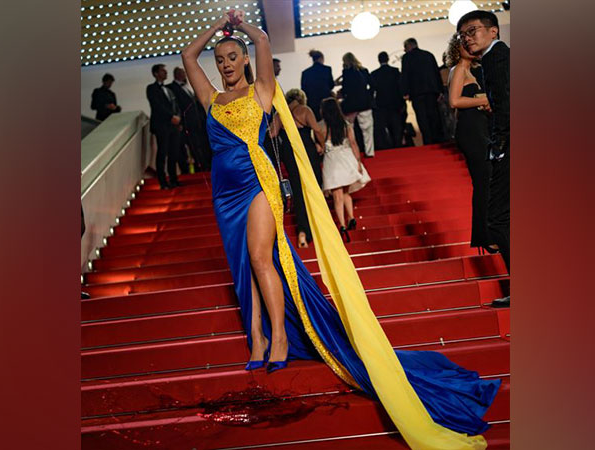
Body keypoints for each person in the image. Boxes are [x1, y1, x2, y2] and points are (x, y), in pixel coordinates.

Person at [181, 9, 500, 449]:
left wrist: (245, 28)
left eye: (233, 56)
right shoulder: (210, 99)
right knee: (241, 264)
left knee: (260, 257)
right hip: (223, 190)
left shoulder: (261, 90)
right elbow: (187, 54)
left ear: (245, 59)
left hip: (257, 182)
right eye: (221, 59)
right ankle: (255, 340)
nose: (225, 64)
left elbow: (263, 45)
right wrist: (217, 29)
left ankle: (277, 341)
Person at [458, 11, 510, 308]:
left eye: (473, 30)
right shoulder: (491, 59)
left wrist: (500, 142)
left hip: (507, 143)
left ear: (493, 32)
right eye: (463, 34)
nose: (467, 37)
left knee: (499, 218)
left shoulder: (497, 57)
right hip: (500, 139)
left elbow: (507, 102)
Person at [446, 34, 498, 255]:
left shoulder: (470, 70)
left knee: (487, 181)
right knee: (484, 181)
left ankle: (488, 235)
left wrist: (484, 104)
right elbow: (454, 101)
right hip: (470, 131)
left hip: (479, 128)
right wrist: (484, 100)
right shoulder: (458, 69)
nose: (469, 46)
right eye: (464, 44)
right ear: (457, 48)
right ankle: (486, 236)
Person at [270, 89, 325, 248]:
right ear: (301, 98)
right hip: (306, 150)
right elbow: (317, 130)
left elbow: (272, 134)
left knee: (298, 190)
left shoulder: (281, 113)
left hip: (289, 153)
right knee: (314, 187)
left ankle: (302, 232)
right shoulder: (305, 110)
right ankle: (318, 227)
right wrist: (322, 145)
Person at [319, 97, 370, 242]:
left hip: (332, 162)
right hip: (346, 160)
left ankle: (341, 225)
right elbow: (353, 143)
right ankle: (352, 218)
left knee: (337, 196)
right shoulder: (346, 125)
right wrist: (358, 162)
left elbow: (321, 147)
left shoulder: (321, 127)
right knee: (346, 192)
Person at [401, 38, 444, 145]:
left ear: (409, 46)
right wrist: (440, 91)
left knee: (422, 118)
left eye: (405, 47)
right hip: (431, 91)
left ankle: (428, 140)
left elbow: (405, 75)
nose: (404, 50)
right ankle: (437, 139)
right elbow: (436, 73)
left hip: (416, 93)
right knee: (433, 116)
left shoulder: (407, 58)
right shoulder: (428, 55)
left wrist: (405, 92)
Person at [168, 66, 212, 172]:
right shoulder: (171, 88)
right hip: (185, 124)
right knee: (191, 148)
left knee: (200, 145)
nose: (185, 75)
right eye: (183, 73)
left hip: (197, 122)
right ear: (177, 74)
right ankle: (198, 168)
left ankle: (204, 165)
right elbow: (176, 106)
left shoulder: (187, 87)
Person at [146, 64, 182, 189]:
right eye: (162, 71)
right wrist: (171, 116)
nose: (165, 72)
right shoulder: (151, 88)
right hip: (162, 126)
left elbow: (176, 106)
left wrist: (178, 118)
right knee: (162, 153)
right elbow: (157, 106)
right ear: (155, 73)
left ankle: (174, 179)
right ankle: (163, 182)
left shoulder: (169, 90)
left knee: (174, 153)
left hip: (173, 126)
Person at [337, 52, 375, 157]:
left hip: (351, 105)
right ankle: (369, 152)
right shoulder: (364, 70)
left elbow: (346, 89)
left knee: (350, 130)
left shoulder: (346, 72)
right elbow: (372, 85)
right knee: (367, 130)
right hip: (364, 104)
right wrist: (368, 96)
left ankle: (352, 152)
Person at [371, 51, 405, 149]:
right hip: (395, 103)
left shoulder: (374, 74)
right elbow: (400, 87)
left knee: (384, 128)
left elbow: (373, 90)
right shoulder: (395, 71)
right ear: (388, 59)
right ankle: (397, 146)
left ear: (378, 60)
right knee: (396, 127)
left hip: (381, 104)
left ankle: (388, 147)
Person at [301, 50, 335, 121]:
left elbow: (303, 89)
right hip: (326, 101)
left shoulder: (305, 73)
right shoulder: (327, 69)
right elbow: (331, 85)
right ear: (321, 58)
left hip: (312, 102)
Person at [439, 52, 457, 140]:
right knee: (447, 116)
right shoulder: (440, 70)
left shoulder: (457, 68)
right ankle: (450, 135)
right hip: (446, 93)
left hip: (455, 92)